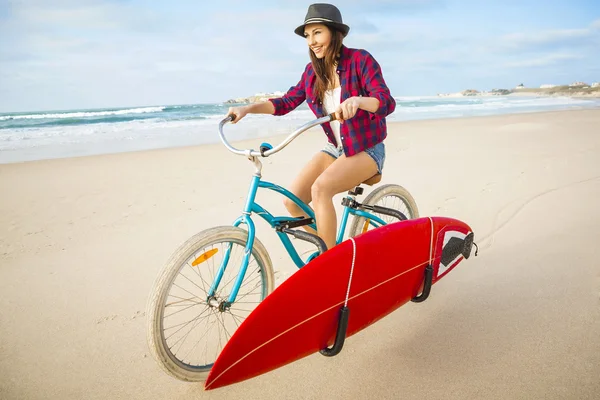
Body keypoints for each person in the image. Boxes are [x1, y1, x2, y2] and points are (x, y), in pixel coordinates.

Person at [227, 3, 396, 251]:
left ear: (334, 33)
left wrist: (358, 101)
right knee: (292, 203)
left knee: (321, 189)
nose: (312, 41)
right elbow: (285, 103)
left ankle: (330, 266)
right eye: (308, 35)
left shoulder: (360, 60)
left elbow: (385, 101)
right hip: (335, 148)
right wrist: (247, 109)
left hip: (366, 148)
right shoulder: (312, 73)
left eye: (317, 32)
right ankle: (331, 249)